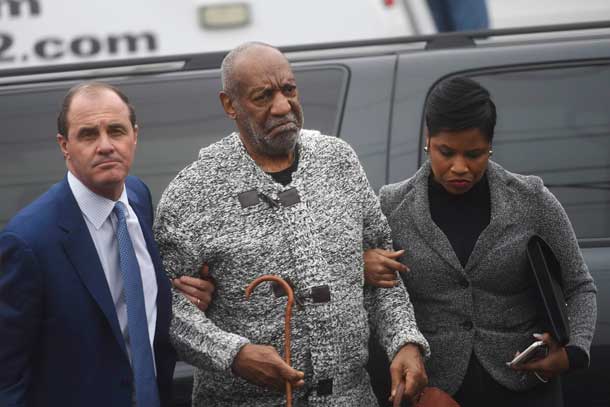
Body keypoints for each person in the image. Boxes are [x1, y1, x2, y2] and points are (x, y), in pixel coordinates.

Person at [153, 41, 430, 407]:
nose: (283, 106)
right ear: (229, 105)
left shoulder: (338, 161)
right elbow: (163, 306)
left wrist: (405, 341)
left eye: (289, 89)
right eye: (263, 96)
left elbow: (384, 270)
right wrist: (234, 354)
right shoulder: (194, 191)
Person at [365, 76, 597, 406]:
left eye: (474, 154)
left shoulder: (531, 199)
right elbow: (368, 295)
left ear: (490, 145)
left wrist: (574, 353)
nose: (460, 167)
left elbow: (579, 285)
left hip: (526, 388)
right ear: (428, 139)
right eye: (447, 152)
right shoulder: (391, 206)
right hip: (435, 393)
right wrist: (361, 264)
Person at [0, 82, 212, 407]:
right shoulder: (27, 242)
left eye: (116, 130)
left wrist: (176, 293)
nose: (105, 146)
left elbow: (132, 301)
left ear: (135, 135)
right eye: (88, 134)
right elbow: (8, 376)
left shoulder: (138, 197)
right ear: (64, 145)